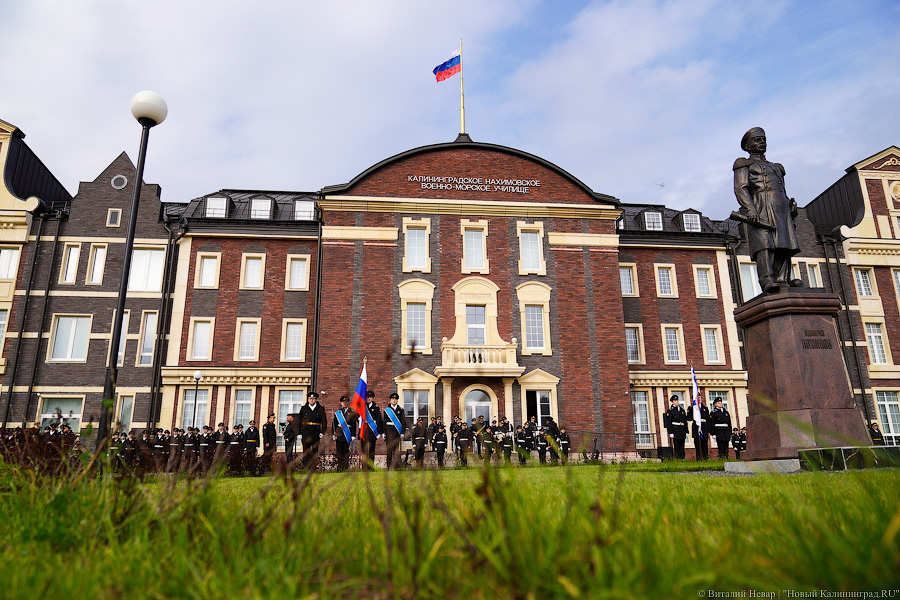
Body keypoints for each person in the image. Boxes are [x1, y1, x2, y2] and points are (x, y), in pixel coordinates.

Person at [733, 127, 802, 292]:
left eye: (763, 139)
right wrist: (750, 210)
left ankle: (782, 278)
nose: (762, 142)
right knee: (765, 243)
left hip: (781, 209)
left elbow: (781, 189)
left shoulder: (777, 167)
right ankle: (767, 279)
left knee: (784, 243)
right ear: (748, 146)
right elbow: (741, 188)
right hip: (761, 205)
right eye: (757, 140)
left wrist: (790, 206)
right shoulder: (744, 163)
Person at [299, 391, 328, 471]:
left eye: (313, 399)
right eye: (310, 399)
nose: (312, 400)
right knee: (306, 450)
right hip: (306, 431)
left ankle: (314, 467)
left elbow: (324, 421)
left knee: (315, 450)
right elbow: (299, 421)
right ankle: (305, 467)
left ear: (316, 400)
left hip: (316, 431)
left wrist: (323, 432)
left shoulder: (320, 408)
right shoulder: (304, 408)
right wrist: (299, 433)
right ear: (308, 399)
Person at [332, 396, 357, 472]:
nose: (344, 403)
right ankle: (339, 467)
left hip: (347, 434)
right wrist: (334, 434)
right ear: (341, 403)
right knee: (339, 451)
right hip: (339, 434)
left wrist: (353, 435)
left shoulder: (352, 413)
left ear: (348, 403)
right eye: (343, 402)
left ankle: (346, 467)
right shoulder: (338, 413)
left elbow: (353, 425)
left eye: (346, 402)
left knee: (346, 451)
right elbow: (334, 424)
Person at [359, 391, 382, 471]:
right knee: (364, 450)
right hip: (364, 431)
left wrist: (379, 432)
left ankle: (371, 467)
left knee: (372, 450)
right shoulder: (362, 407)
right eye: (367, 397)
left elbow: (379, 420)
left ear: (372, 398)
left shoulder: (376, 408)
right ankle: (364, 467)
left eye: (370, 397)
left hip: (372, 431)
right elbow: (357, 418)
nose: (369, 399)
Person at [383, 392, 406, 469]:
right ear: (390, 400)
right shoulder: (387, 410)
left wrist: (402, 432)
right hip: (389, 432)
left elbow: (403, 422)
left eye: (395, 399)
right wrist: (383, 432)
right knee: (389, 450)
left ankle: (397, 466)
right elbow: (384, 422)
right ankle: (389, 466)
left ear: (397, 401)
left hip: (397, 432)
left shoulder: (401, 410)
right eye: (392, 399)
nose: (394, 401)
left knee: (396, 450)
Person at [690, 395, 710, 461]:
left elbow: (708, 419)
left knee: (704, 445)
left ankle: (705, 458)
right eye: (697, 398)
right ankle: (699, 459)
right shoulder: (692, 408)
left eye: (699, 397)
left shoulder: (705, 408)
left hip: (704, 427)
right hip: (696, 427)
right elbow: (689, 418)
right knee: (698, 445)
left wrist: (709, 430)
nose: (699, 399)